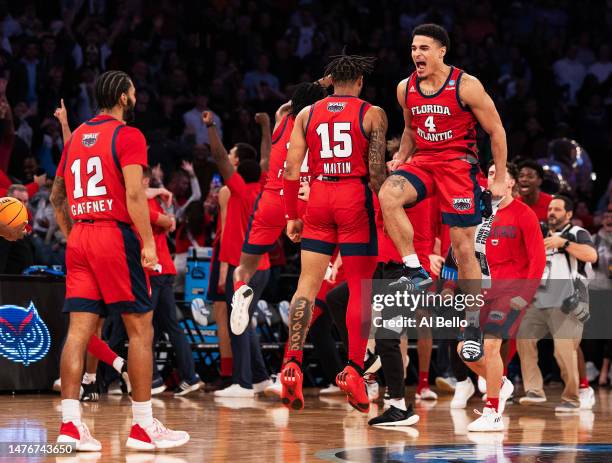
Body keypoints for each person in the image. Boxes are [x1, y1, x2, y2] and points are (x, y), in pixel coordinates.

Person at [50, 70, 189, 451]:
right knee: (140, 329)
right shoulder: (128, 135)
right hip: (114, 235)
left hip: (80, 236)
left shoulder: (77, 136)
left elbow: (56, 196)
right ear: (125, 97)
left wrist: (73, 234)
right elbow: (133, 195)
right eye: (133, 91)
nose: (136, 96)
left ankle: (70, 426)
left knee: (79, 332)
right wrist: (147, 242)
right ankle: (143, 426)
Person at [378, 23, 507, 363]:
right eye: (413, 48)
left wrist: (500, 176)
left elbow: (496, 130)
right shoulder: (406, 87)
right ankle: (414, 269)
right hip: (423, 161)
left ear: (441, 51)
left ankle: (473, 326)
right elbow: (409, 128)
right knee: (388, 195)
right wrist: (401, 158)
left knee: (464, 250)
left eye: (423, 48)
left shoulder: (466, 85)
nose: (416, 54)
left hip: (458, 165)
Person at [280, 54, 387, 412]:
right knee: (361, 289)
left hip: (320, 198)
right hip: (354, 197)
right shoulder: (372, 113)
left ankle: (291, 363)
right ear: (359, 81)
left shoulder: (307, 113)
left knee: (305, 287)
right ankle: (355, 369)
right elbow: (375, 174)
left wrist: (292, 215)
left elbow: (292, 169)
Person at [231, 81, 329, 333]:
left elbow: (290, 103)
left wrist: (321, 83)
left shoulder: (282, 118)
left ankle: (241, 291)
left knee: (243, 269)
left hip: (274, 199)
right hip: (308, 198)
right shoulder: (323, 127)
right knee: (311, 278)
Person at [457, 162, 546, 431]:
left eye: (499, 174)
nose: (492, 176)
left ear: (511, 183)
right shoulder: (479, 215)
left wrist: (525, 295)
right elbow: (466, 256)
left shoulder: (524, 214)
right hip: (480, 293)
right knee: (465, 351)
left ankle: (493, 412)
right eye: (490, 173)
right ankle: (502, 383)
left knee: (491, 347)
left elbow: (538, 260)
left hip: (510, 293)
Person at [203, 110, 272, 398]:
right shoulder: (266, 186)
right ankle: (259, 378)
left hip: (243, 268)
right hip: (263, 267)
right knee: (247, 320)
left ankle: (241, 384)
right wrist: (267, 128)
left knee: (238, 323)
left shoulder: (241, 191)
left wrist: (211, 128)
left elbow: (220, 158)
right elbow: (267, 157)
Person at [517, 195, 598, 413]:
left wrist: (564, 243)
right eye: (550, 208)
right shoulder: (540, 232)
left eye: (558, 209)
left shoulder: (577, 233)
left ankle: (572, 398)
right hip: (538, 299)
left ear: (569, 214)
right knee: (523, 338)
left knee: (563, 350)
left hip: (568, 301)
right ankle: (534, 390)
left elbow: (591, 255)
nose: (551, 212)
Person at [144, 167, 202, 397]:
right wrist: (158, 189)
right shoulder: (155, 199)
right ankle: (189, 376)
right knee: (166, 327)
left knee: (142, 328)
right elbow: (170, 222)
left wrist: (155, 191)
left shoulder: (146, 202)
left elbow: (169, 222)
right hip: (163, 268)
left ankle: (154, 379)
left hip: (154, 270)